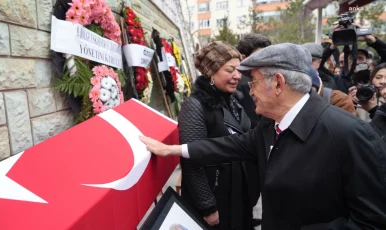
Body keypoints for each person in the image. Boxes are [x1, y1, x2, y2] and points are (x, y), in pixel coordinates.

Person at [140, 43, 386, 230]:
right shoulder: (270, 125)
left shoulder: (347, 134)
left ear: (278, 84)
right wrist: (174, 150)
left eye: (253, 81)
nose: (249, 89)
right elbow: (233, 144)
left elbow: (372, 219)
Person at [178, 41, 257, 229]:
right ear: (211, 72)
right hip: (216, 196)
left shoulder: (232, 100)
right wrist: (207, 206)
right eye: (230, 70)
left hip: (237, 192)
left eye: (238, 70)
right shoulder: (195, 106)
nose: (237, 76)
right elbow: (191, 160)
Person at [236, 33, 271, 128]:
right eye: (259, 57)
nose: (264, 61)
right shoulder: (243, 83)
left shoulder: (267, 77)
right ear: (243, 58)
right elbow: (253, 122)